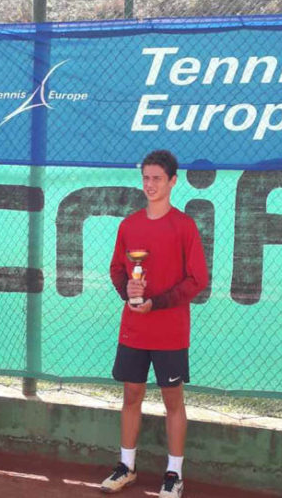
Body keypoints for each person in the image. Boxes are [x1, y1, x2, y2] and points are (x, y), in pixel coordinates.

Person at [102, 150, 209, 498]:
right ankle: (127, 466)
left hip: (170, 331)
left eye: (157, 179)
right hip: (134, 329)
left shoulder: (184, 226)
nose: (150, 184)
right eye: (146, 178)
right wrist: (128, 292)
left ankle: (174, 474)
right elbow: (117, 270)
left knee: (172, 400)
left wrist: (157, 302)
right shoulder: (129, 225)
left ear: (173, 181)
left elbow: (197, 279)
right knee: (131, 395)